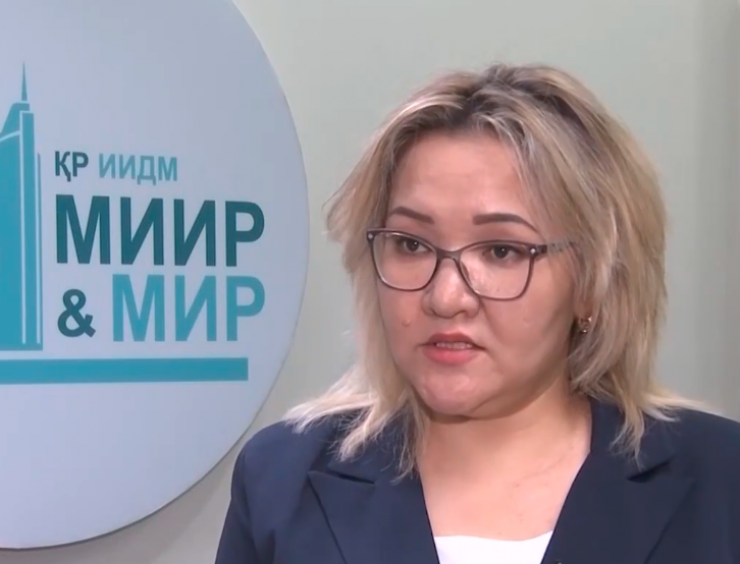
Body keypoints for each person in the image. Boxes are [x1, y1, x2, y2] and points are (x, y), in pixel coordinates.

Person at [214, 63, 740, 564]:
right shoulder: (281, 483)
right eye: (411, 244)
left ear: (592, 283)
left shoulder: (721, 481)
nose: (445, 297)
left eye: (501, 251)